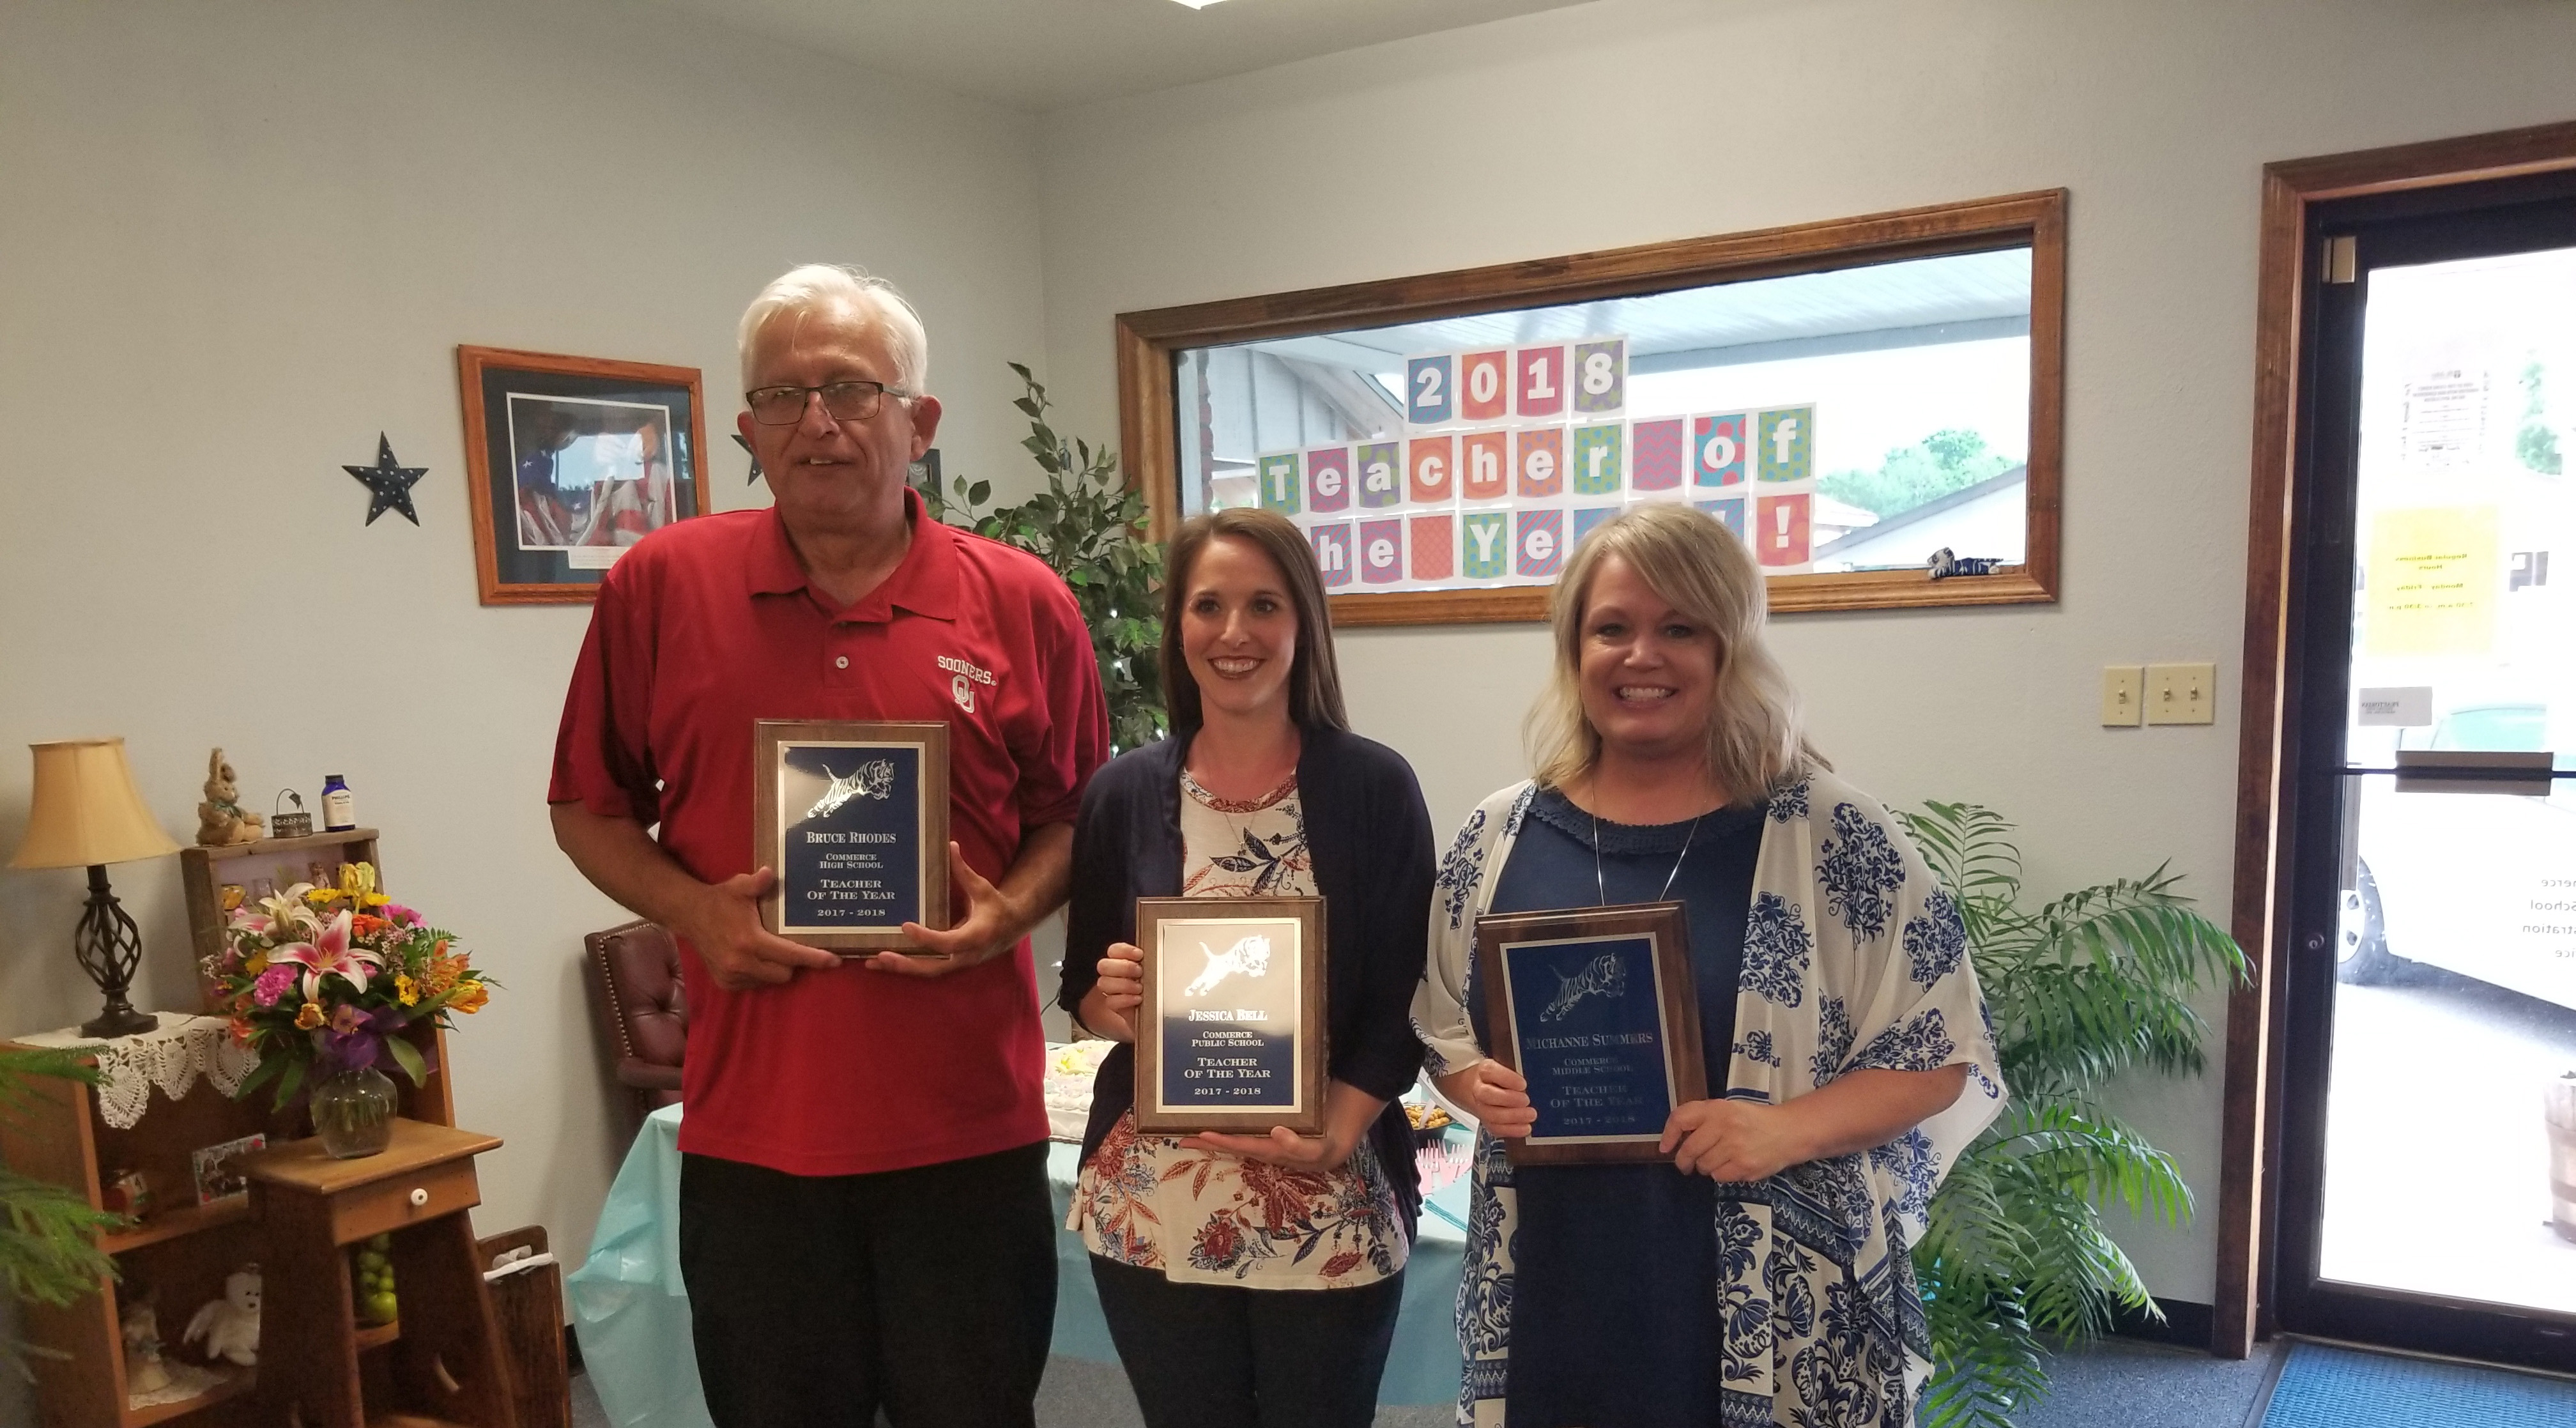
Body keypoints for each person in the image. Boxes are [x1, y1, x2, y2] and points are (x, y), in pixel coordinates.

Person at [548, 263, 1108, 1427]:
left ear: (921, 422)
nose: (817, 423)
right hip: (756, 1138)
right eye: (782, 397)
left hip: (966, 1128)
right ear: (747, 427)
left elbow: (1076, 815)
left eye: (852, 390)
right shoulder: (661, 586)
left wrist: (1008, 913)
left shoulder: (1024, 602)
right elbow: (586, 806)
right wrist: (695, 913)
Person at [1411, 503, 2004, 1428]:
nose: (1641, 655)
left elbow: (1942, 1053)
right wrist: (1470, 1084)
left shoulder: (1831, 834)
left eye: (1679, 628)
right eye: (1612, 628)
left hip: (1779, 1296)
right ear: (1574, 649)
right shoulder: (1498, 835)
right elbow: (1443, 1027)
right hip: (1553, 1279)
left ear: (1732, 647)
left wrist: (1786, 1129)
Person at [1058, 507, 1435, 1428]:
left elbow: (1408, 1000)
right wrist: (1113, 1005)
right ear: (1177, 628)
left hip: (1329, 1201)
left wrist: (1339, 1131)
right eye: (1208, 606)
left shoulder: (1375, 790)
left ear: (1303, 624)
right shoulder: (1120, 795)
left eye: (1263, 605)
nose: (1234, 633)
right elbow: (1082, 997)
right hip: (1153, 1214)